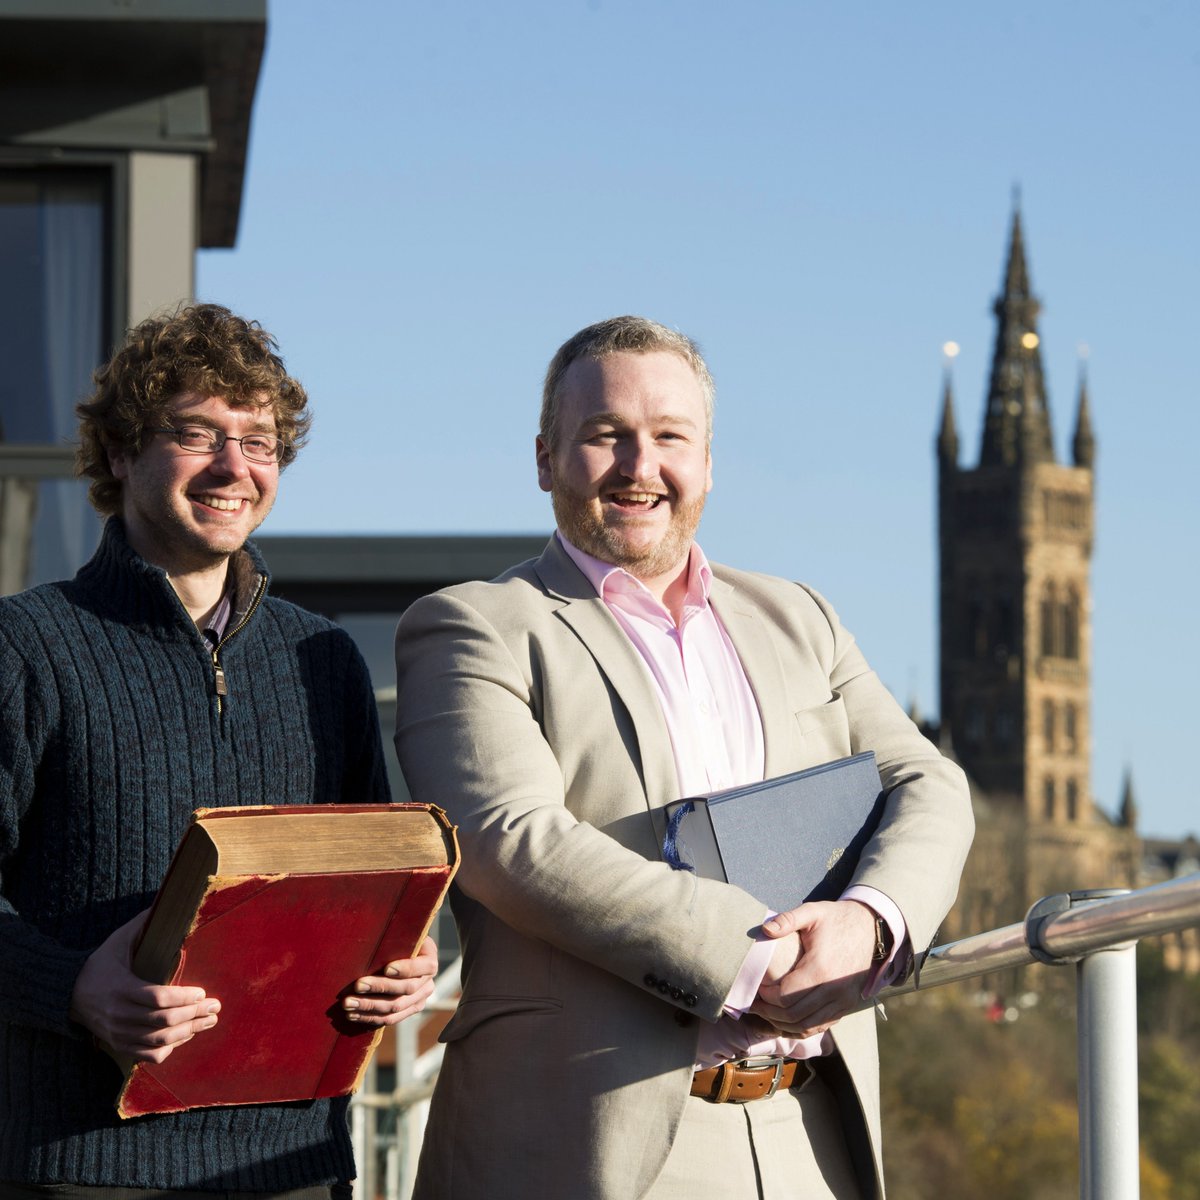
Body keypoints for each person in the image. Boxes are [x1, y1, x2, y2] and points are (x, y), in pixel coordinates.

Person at [393, 315, 974, 1199]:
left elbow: (927, 783)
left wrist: (871, 921)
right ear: (546, 457)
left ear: (707, 461)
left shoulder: (800, 616)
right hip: (587, 1142)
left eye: (670, 437)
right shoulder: (473, 626)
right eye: (605, 436)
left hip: (810, 1133)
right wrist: (752, 961)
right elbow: (512, 840)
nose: (640, 466)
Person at [0, 304, 438, 1197]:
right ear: (120, 452)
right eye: (199, 434)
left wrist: (407, 957)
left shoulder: (326, 661)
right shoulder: (26, 646)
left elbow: (369, 883)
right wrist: (74, 987)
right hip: (77, 1166)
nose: (235, 467)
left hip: (294, 1166)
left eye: (261, 441)